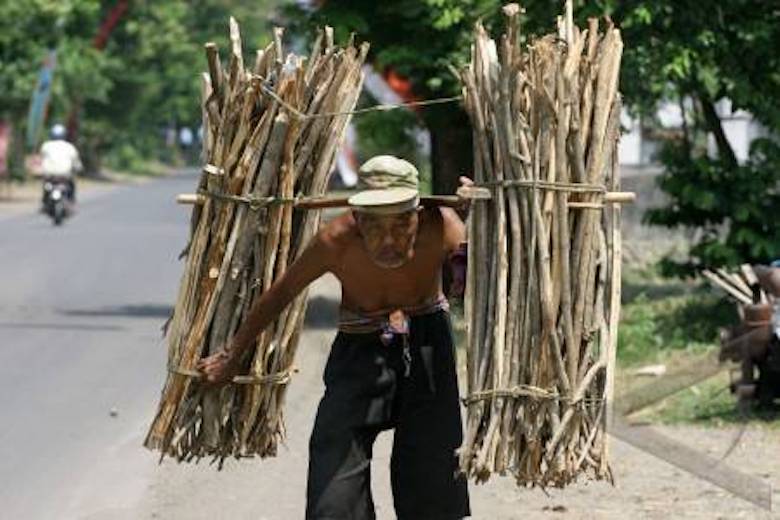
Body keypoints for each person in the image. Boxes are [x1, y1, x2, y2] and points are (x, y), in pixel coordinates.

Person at [198, 155, 472, 520]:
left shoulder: (443, 227)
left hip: (427, 349)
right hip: (359, 349)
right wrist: (231, 357)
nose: (388, 240)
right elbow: (282, 292)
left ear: (417, 214)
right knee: (333, 500)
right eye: (373, 225)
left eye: (400, 224)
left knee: (433, 489)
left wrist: (479, 217)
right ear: (357, 217)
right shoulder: (335, 241)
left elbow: (480, 275)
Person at [40, 123, 81, 203]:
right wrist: (78, 168)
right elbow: (76, 161)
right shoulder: (69, 147)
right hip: (65, 174)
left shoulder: (46, 145)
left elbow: (41, 157)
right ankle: (71, 198)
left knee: (45, 184)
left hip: (49, 174)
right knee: (71, 184)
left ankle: (45, 199)